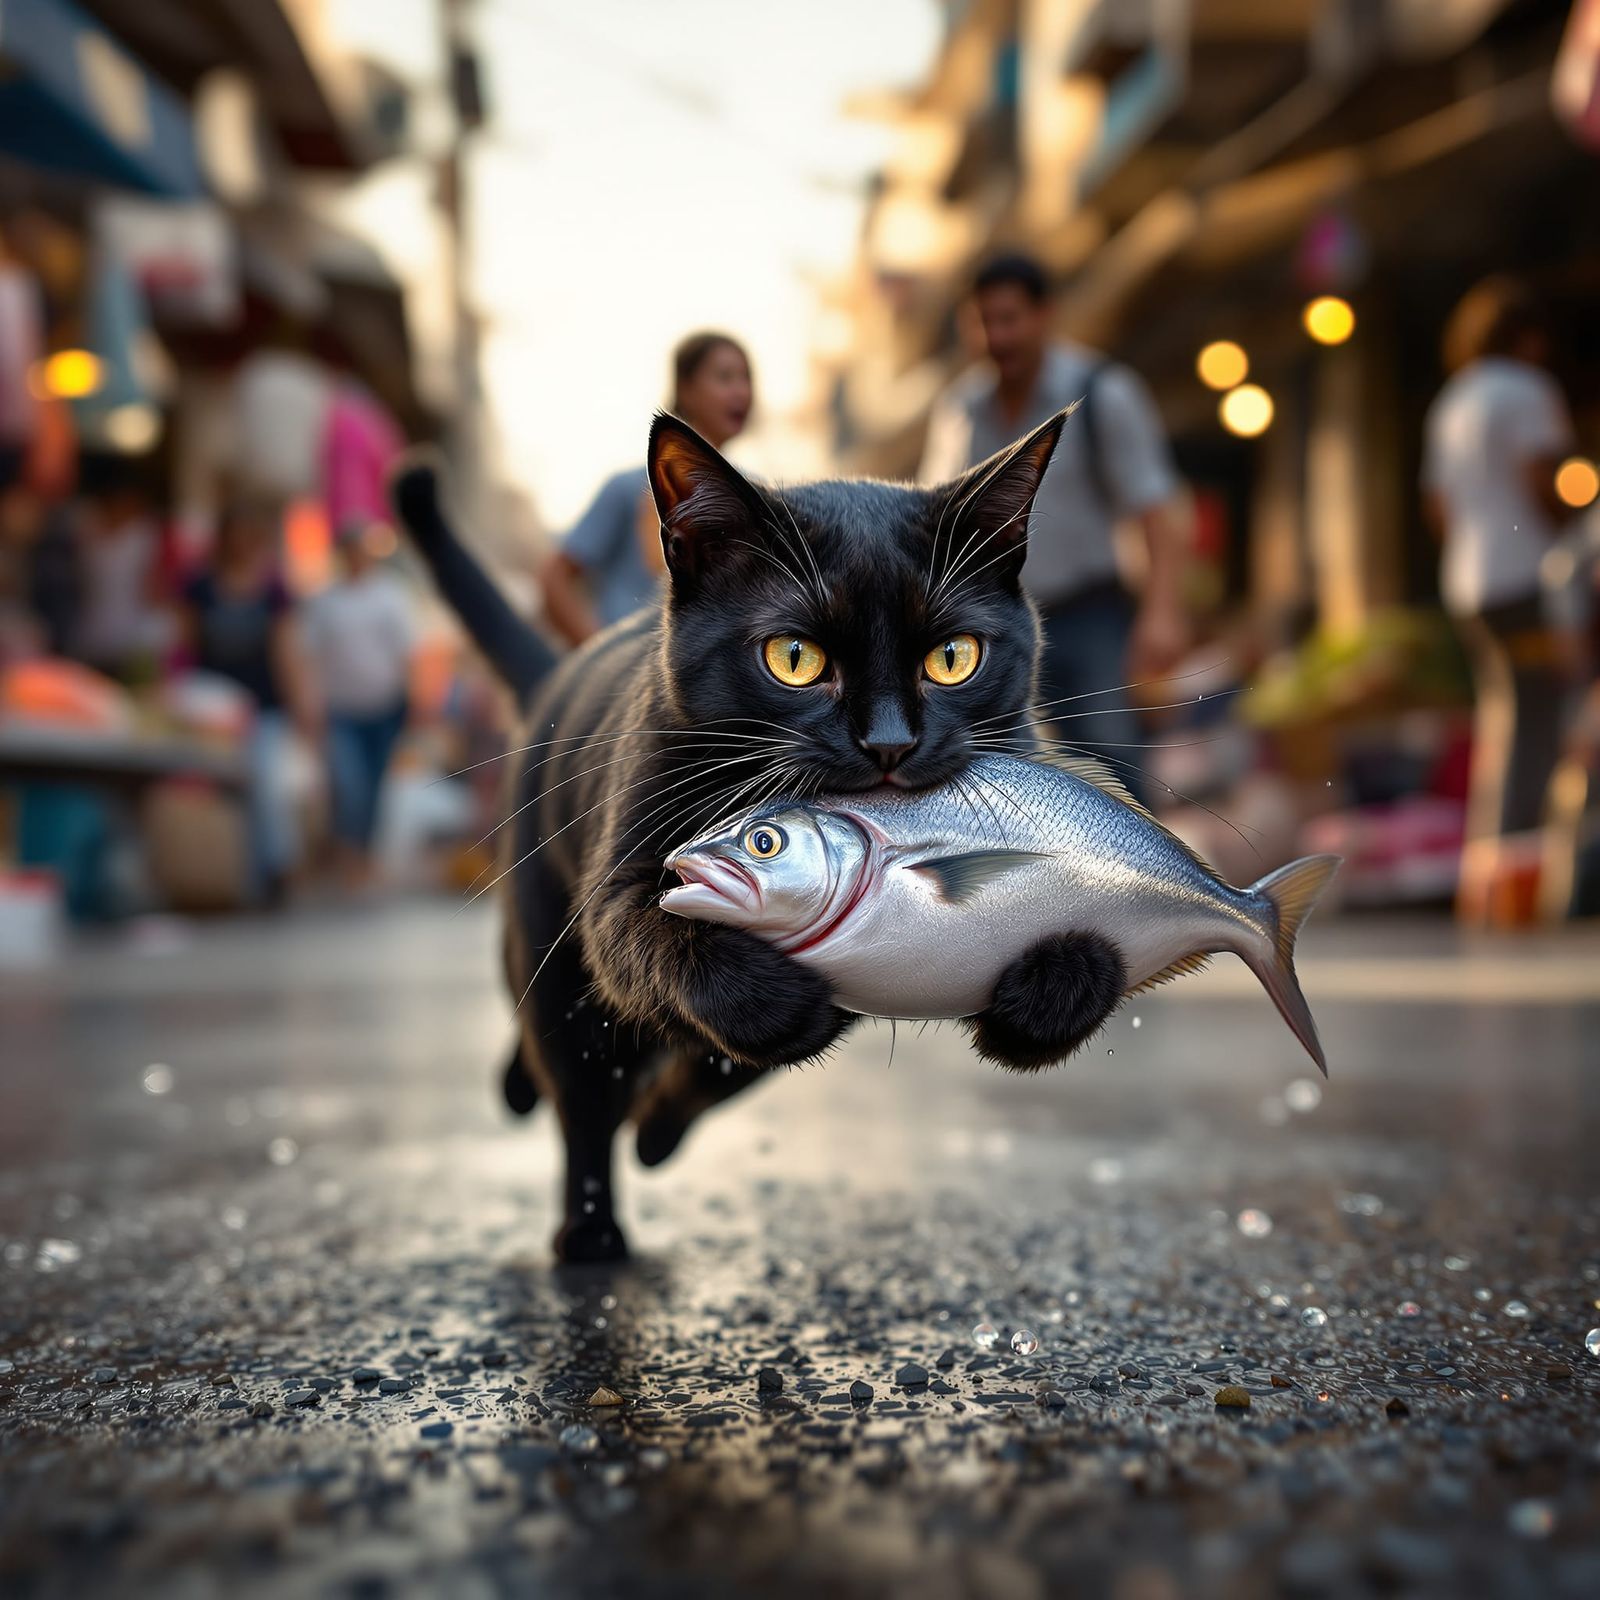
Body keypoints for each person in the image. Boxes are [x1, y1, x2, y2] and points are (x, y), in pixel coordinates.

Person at [919, 254, 1189, 793]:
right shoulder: (961, 410)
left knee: (1112, 765)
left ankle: (1139, 879)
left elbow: (1157, 510)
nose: (997, 335)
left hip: (1090, 618)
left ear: (1045, 315)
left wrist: (1163, 613)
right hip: (992, 630)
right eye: (983, 321)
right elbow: (930, 525)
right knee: (1007, 778)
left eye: (1009, 318)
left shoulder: (1103, 392)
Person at [1422, 275, 1577, 919]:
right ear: (1528, 338)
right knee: (1537, 724)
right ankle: (1518, 880)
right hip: (1525, 578)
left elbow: (1437, 503)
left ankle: (1481, 878)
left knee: (1502, 719)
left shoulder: (1453, 400)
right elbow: (1545, 478)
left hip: (1469, 580)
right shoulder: (1526, 390)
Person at [538, 331, 754, 645]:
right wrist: (598, 654)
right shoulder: (628, 488)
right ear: (686, 388)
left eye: (747, 379)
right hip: (628, 675)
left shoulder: (753, 497)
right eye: (725, 377)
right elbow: (554, 579)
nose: (741, 392)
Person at [178, 501, 318, 905]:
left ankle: (275, 872)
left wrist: (302, 706)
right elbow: (185, 646)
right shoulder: (199, 586)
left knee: (267, 789)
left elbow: (285, 652)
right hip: (211, 711)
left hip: (263, 709)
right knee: (219, 796)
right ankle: (229, 876)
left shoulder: (273, 591)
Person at [302, 522, 414, 887]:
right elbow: (311, 655)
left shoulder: (390, 597)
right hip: (343, 708)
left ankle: (364, 855)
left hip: (384, 707)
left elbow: (407, 654)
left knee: (375, 785)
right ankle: (348, 854)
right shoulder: (326, 601)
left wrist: (415, 704)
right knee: (350, 784)